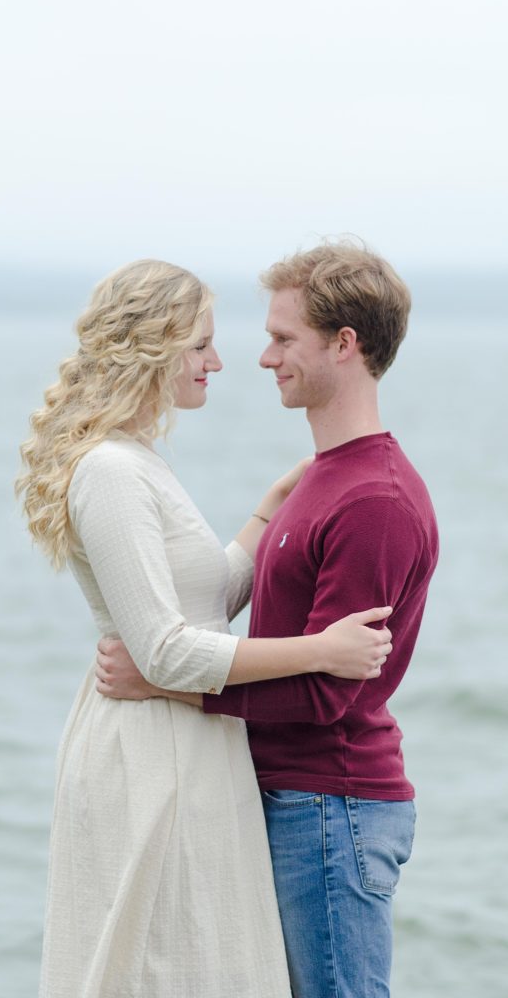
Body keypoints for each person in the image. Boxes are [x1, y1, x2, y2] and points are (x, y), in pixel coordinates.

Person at [16, 258, 394, 998]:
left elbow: (204, 604)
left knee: (196, 961)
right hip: (151, 753)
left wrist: (268, 510)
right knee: (164, 966)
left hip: (187, 743)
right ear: (151, 348)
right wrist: (322, 651)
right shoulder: (112, 472)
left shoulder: (138, 460)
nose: (218, 362)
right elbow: (163, 650)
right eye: (200, 345)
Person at [96, 243, 439, 998]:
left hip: (332, 808)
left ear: (344, 344)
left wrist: (163, 685)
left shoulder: (373, 500)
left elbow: (325, 693)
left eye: (284, 338)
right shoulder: (323, 477)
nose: (263, 357)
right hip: (296, 802)